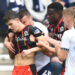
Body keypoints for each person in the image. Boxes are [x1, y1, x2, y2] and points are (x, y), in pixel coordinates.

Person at [4, 9, 52, 75]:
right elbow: (11, 56)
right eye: (8, 25)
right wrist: (9, 43)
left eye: (11, 24)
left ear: (17, 20)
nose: (9, 27)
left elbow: (46, 45)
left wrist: (30, 50)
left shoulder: (31, 29)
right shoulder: (11, 33)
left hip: (28, 69)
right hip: (16, 69)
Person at [47, 2, 67, 75]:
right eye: (48, 14)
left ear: (59, 13)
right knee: (55, 63)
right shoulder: (50, 26)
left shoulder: (67, 24)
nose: (48, 17)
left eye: (51, 14)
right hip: (56, 54)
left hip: (68, 55)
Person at [56, 7, 75, 75]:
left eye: (63, 18)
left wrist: (57, 48)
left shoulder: (67, 34)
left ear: (69, 18)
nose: (63, 20)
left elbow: (61, 57)